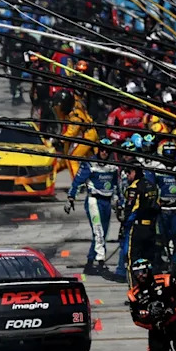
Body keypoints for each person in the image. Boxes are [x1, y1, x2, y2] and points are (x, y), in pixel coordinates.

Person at [67, 138, 119, 275]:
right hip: (93, 202)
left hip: (107, 203)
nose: (104, 152)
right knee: (98, 232)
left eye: (107, 150)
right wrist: (71, 197)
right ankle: (101, 263)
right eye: (102, 149)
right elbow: (77, 181)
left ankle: (90, 263)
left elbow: (116, 185)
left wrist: (117, 201)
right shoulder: (89, 164)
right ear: (98, 150)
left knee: (103, 234)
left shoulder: (113, 166)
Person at [114, 164, 161, 284]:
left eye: (129, 172)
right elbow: (157, 206)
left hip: (137, 229)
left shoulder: (134, 188)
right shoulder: (152, 185)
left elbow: (131, 212)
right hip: (151, 229)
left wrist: (124, 224)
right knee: (149, 262)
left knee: (131, 262)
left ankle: (135, 294)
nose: (128, 175)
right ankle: (151, 293)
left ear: (134, 172)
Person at [54, 89, 98, 178]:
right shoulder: (74, 103)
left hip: (87, 135)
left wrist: (60, 140)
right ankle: (49, 174)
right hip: (85, 133)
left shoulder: (74, 116)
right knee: (67, 158)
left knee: (72, 159)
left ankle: (77, 183)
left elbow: (72, 132)